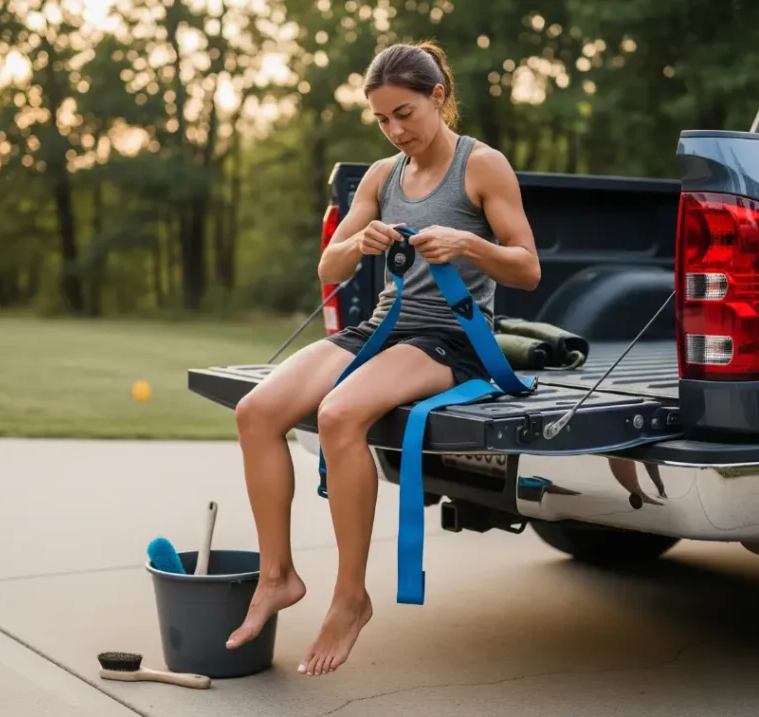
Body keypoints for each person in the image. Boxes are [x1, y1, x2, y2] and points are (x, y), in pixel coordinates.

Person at [227, 40, 541, 676]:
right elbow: (328, 264)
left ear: (438, 98)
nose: (396, 131)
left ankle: (350, 598)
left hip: (449, 338)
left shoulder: (482, 167)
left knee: (341, 415)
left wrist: (467, 244)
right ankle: (278, 576)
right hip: (382, 329)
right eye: (381, 120)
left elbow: (528, 267)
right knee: (256, 412)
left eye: (405, 114)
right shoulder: (380, 176)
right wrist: (357, 243)